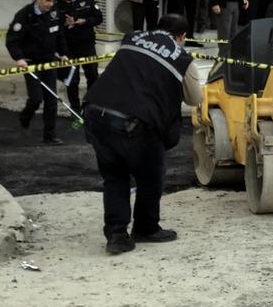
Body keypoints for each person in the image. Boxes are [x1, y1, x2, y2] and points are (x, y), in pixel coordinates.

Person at [83, 14, 202, 255]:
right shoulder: (182, 57)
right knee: (150, 177)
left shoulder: (132, 38)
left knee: (115, 177)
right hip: (135, 122)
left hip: (96, 112)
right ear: (182, 37)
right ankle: (146, 227)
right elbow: (194, 99)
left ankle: (116, 235)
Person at [5, 0, 68, 145]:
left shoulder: (53, 14)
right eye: (47, 0)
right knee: (36, 98)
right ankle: (25, 118)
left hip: (48, 61)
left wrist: (63, 53)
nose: (50, 4)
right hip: (31, 63)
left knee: (52, 99)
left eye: (53, 1)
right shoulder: (24, 15)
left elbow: (59, 34)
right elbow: (12, 40)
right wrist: (18, 58)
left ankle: (49, 136)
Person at [56, 0, 102, 113]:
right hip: (68, 48)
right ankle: (75, 108)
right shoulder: (57, 3)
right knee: (72, 79)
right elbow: (52, 24)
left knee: (92, 75)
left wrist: (85, 21)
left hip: (86, 44)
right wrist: (64, 25)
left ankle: (90, 104)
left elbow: (99, 17)